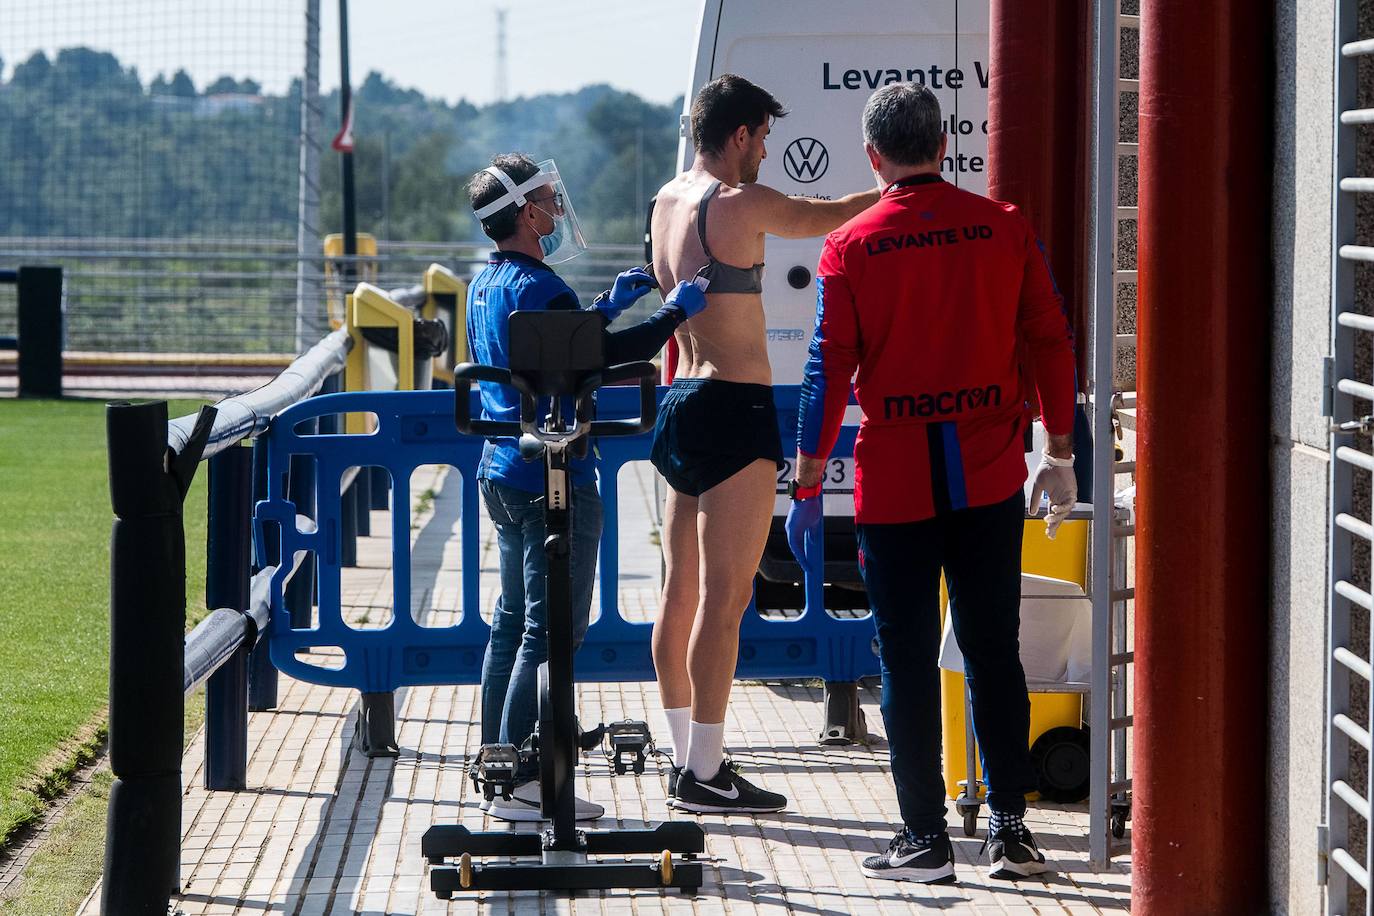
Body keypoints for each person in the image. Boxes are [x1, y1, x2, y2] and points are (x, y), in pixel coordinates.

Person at [785, 83, 1076, 882]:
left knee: (906, 660)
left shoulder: (850, 244)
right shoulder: (1003, 227)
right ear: (944, 146)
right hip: (987, 476)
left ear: (873, 157)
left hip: (898, 485)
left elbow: (827, 369)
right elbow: (1050, 339)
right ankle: (1012, 831)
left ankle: (924, 840)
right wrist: (1061, 449)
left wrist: (807, 481)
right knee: (994, 653)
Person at [647, 74, 879, 814]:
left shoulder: (664, 201)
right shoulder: (738, 202)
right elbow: (834, 215)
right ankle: (707, 774)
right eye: (764, 137)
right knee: (727, 599)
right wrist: (902, 187)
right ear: (740, 135)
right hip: (734, 402)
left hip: (679, 396)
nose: (767, 151)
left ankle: (687, 757)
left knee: (678, 594)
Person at [465, 153, 708, 823]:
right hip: (555, 478)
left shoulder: (485, 282)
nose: (557, 206)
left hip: (501, 470)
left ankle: (496, 767)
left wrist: (605, 307)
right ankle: (523, 781)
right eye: (547, 196)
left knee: (511, 626)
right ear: (526, 213)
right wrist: (672, 314)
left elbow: (551, 351)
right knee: (549, 634)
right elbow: (595, 366)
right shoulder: (542, 287)